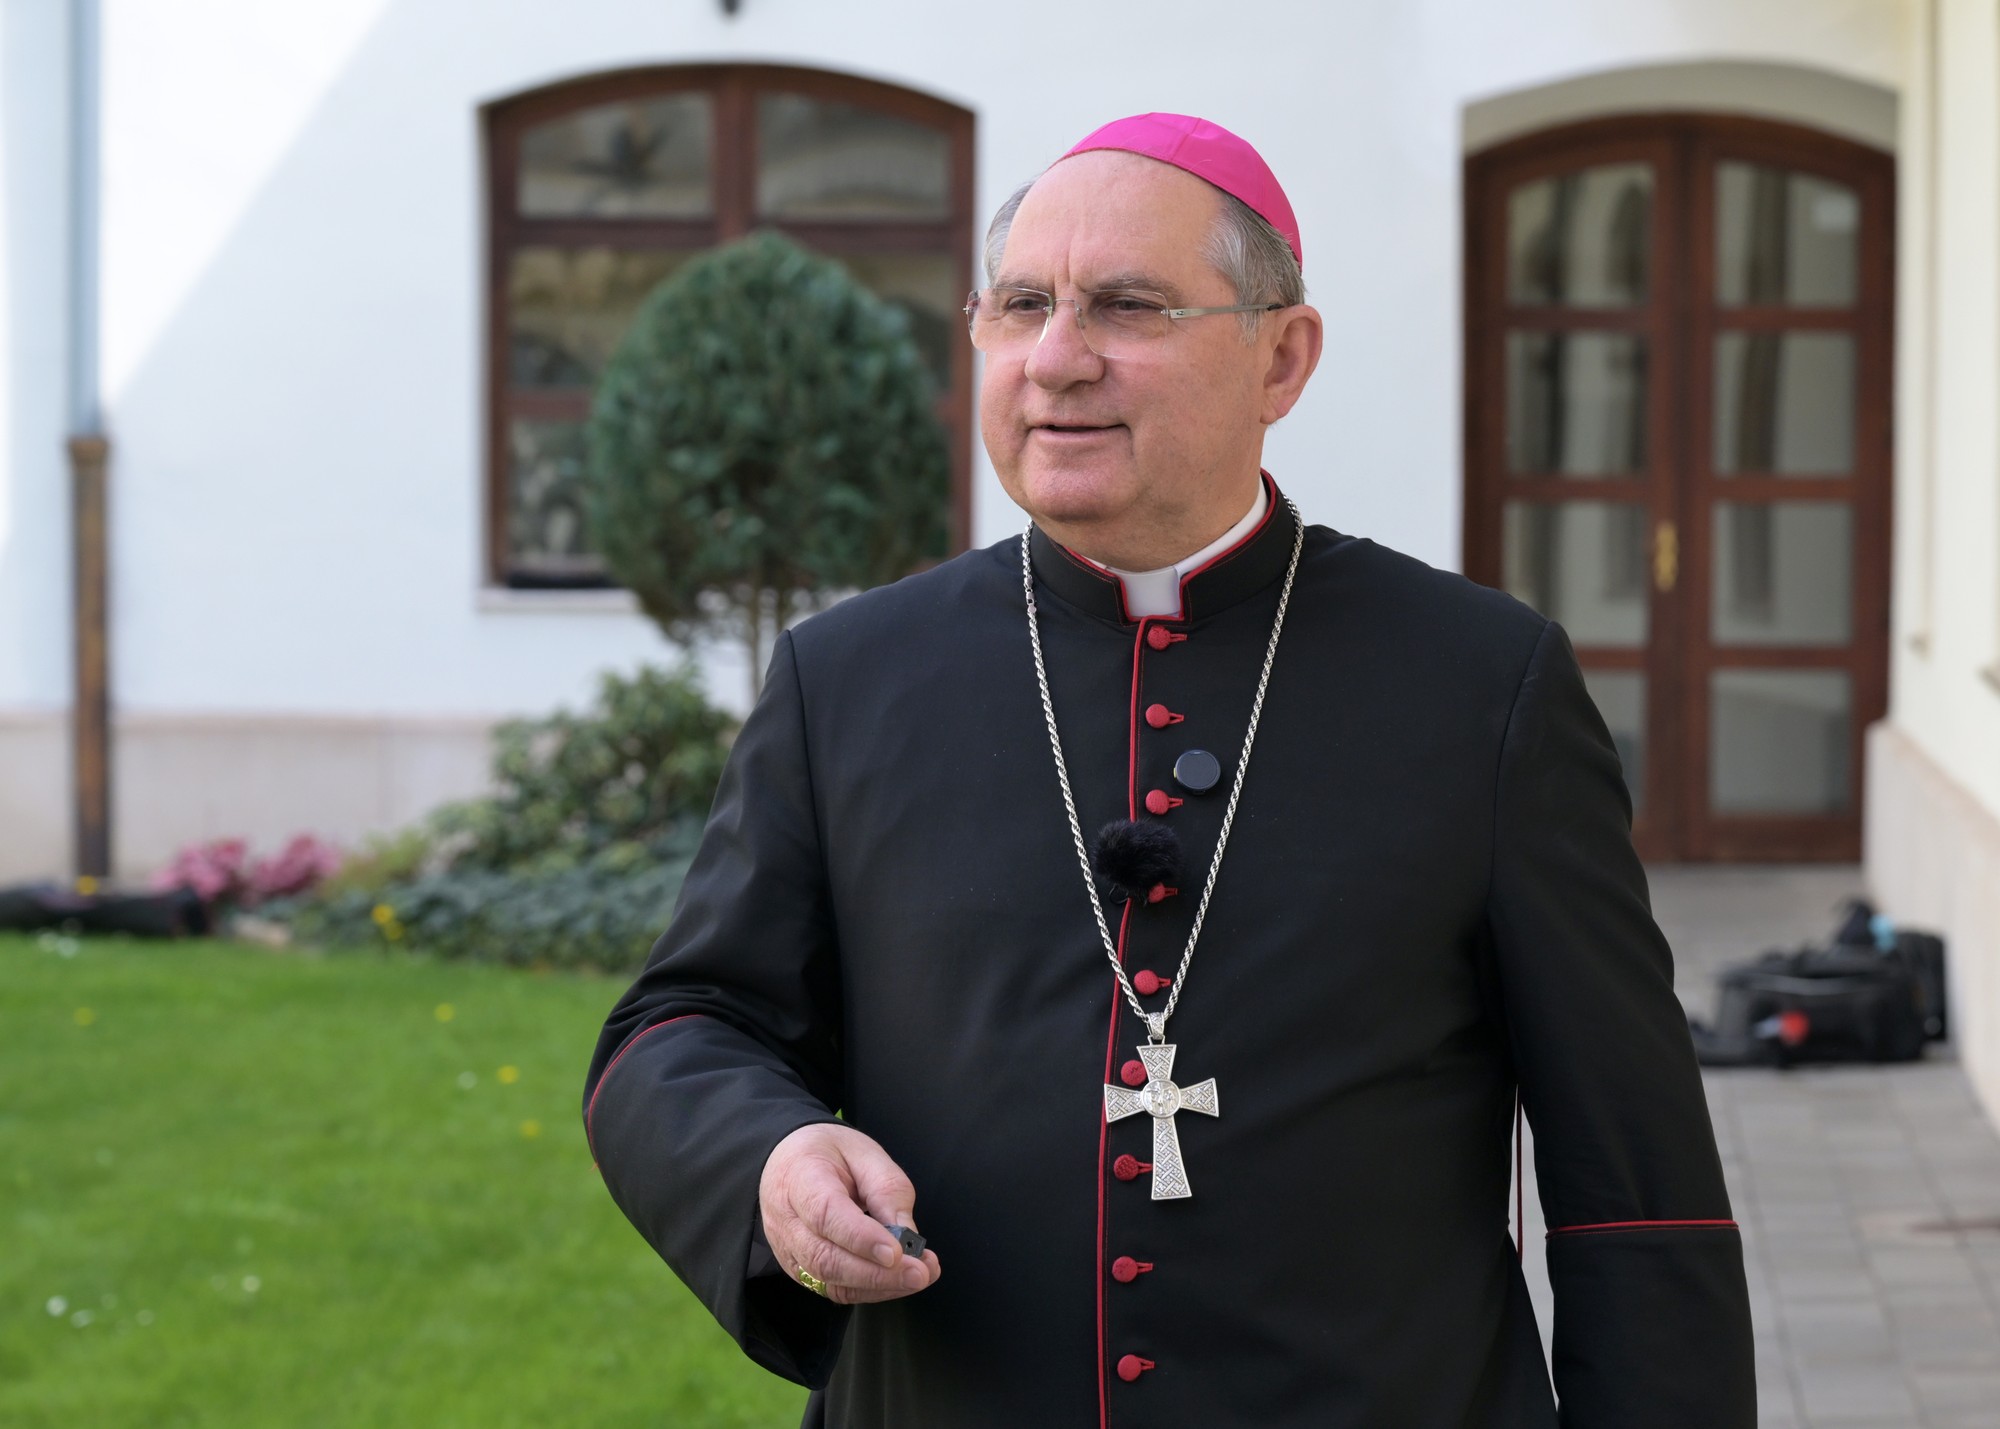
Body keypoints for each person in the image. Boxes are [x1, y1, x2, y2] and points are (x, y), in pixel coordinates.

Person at [583, 112, 1755, 1428]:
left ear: (1281, 358)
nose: (1056, 358)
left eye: (1127, 306)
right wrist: (770, 1155)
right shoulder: (848, 677)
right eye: (1021, 305)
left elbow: (1636, 1181)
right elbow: (682, 1028)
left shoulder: (1483, 684)